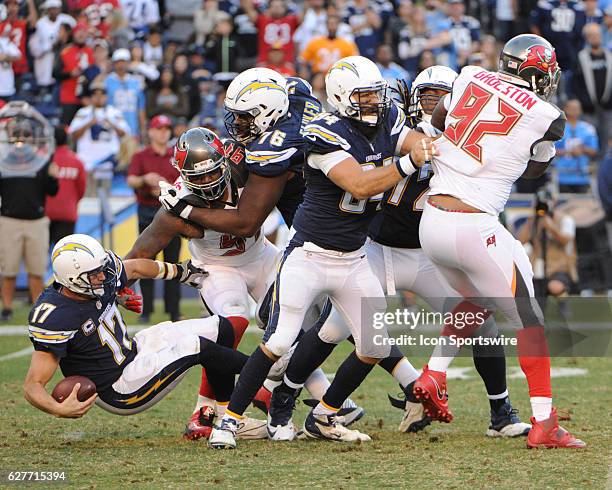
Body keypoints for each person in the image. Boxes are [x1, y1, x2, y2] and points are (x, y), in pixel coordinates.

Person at [276, 65, 531, 439]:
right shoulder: (390, 129)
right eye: (429, 97)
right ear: (413, 97)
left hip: (427, 255)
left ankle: (501, 413)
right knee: (336, 328)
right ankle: (290, 400)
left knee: (483, 327)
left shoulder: (468, 142)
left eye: (445, 99)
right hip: (376, 249)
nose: (436, 105)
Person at [205, 56, 433, 449]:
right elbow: (360, 185)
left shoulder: (386, 119)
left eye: (376, 95)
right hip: (309, 255)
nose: (374, 104)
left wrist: (428, 143)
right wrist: (412, 161)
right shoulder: (324, 133)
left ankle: (325, 414)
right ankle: (228, 420)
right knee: (278, 341)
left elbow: (413, 141)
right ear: (343, 99)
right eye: (364, 97)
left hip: (354, 259)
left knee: (375, 346)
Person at [416, 34, 585, 448]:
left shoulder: (469, 75)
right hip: (474, 225)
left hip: (432, 220)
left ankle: (433, 374)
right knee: (531, 322)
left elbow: (437, 123)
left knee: (479, 298)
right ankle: (544, 423)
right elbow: (533, 174)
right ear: (531, 72)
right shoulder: (549, 116)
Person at [22, 234, 265, 440]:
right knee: (196, 346)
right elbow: (33, 385)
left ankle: (221, 412)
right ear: (73, 280)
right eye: (94, 275)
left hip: (134, 351)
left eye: (102, 270)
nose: (103, 278)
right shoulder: (55, 316)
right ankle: (271, 377)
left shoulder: (98, 277)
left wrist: (179, 272)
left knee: (219, 328)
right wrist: (58, 409)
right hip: (120, 387)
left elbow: (135, 266)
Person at [0, 104, 59, 322]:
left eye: (25, 134)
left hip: (36, 221)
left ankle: (37, 308)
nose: (21, 138)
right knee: (8, 269)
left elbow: (53, 191)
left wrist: (53, 176)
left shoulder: (41, 162)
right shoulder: (4, 162)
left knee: (36, 269)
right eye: (16, 134)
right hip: (9, 219)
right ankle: (6, 308)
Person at [127, 115, 181, 323]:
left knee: (173, 264)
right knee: (144, 261)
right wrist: (145, 179)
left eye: (166, 129)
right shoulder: (141, 156)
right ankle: (146, 309)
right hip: (148, 212)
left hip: (170, 213)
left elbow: (182, 183)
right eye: (159, 129)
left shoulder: (174, 156)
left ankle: (174, 311)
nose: (163, 132)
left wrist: (165, 185)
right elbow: (131, 179)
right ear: (150, 131)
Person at [68, 79, 129, 192]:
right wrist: (89, 123)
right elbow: (73, 135)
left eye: (102, 95)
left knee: (105, 195)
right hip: (86, 161)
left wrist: (110, 123)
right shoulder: (83, 113)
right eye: (95, 95)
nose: (99, 97)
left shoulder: (114, 112)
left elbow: (123, 133)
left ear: (106, 96)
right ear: (91, 97)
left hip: (107, 162)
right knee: (87, 194)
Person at [518, 191, 577, 296]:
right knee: (526, 290)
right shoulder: (533, 220)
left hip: (559, 266)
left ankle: (563, 307)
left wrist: (551, 227)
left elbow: (566, 240)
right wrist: (530, 222)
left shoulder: (564, 219)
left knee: (555, 287)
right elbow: (520, 241)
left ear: (553, 202)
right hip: (536, 266)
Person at [45, 126, 87, 248]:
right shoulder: (76, 161)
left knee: (41, 257)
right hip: (68, 213)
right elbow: (82, 189)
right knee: (64, 257)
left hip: (45, 212)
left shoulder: (44, 160)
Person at [574, 23, 612, 152]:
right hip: (588, 108)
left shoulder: (609, 55)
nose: (596, 38)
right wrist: (583, 101)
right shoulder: (581, 57)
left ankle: (604, 168)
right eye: (592, 35)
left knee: (606, 137)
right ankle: (591, 167)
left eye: (597, 35)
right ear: (587, 38)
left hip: (607, 106)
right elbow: (576, 82)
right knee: (590, 138)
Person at [28, 0, 76, 93]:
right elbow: (34, 50)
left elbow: (76, 38)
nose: (54, 11)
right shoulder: (40, 24)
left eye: (56, 8)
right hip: (45, 68)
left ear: (60, 8)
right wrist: (52, 45)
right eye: (51, 9)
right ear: (47, 10)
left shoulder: (68, 20)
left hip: (65, 70)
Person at [53, 22, 94, 124]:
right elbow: (55, 73)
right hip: (69, 98)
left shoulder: (91, 51)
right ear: (74, 34)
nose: (80, 34)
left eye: (83, 32)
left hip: (86, 99)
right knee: (66, 127)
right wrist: (70, 74)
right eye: (78, 32)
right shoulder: (65, 50)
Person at [554, 99, 599, 192]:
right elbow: (550, 150)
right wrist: (568, 152)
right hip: (562, 175)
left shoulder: (588, 128)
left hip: (582, 176)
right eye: (572, 108)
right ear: (565, 109)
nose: (574, 111)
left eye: (577, 108)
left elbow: (594, 150)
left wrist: (583, 149)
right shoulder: (558, 128)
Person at [299, 15, 359, 80]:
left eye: (334, 24)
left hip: (339, 77)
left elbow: (355, 61)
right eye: (330, 24)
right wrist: (304, 71)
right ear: (326, 25)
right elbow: (303, 60)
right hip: (319, 76)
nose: (332, 27)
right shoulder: (315, 42)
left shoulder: (347, 44)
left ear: (338, 26)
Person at [105, 48, 146, 141]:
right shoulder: (107, 82)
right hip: (113, 129)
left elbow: (141, 108)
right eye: (118, 62)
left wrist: (143, 129)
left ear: (128, 63)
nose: (121, 65)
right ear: (114, 64)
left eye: (123, 62)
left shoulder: (136, 83)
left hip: (132, 128)